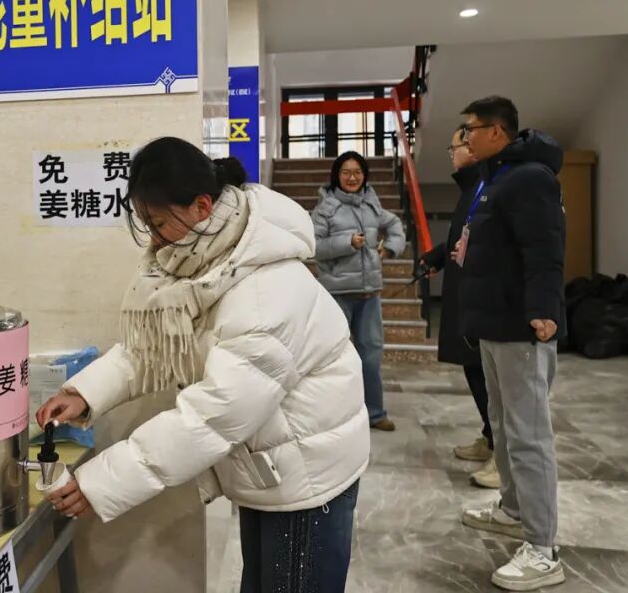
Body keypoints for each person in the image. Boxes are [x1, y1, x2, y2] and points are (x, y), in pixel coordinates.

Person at [36, 137, 370, 593]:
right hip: (273, 465)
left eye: (159, 223)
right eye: (146, 224)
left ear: (201, 206)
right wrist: (84, 393)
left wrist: (103, 483)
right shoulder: (207, 263)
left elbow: (213, 415)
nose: (153, 239)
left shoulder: (264, 294)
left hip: (308, 478)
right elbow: (157, 347)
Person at [455, 96, 566, 591]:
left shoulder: (530, 178)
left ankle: (543, 549)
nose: (465, 138)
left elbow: (544, 247)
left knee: (528, 435)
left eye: (471, 129)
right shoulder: (496, 178)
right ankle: (514, 510)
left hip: (521, 327)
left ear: (496, 132)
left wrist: (543, 308)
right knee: (501, 425)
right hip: (493, 324)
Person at [419, 127, 501, 489]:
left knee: (489, 378)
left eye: (455, 147)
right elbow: (465, 235)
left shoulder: (492, 184)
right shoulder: (473, 187)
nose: (452, 154)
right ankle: (490, 436)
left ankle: (503, 452)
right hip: (464, 292)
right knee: (473, 369)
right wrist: (440, 255)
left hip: (483, 298)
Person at [311, 151, 406, 432]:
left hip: (369, 293)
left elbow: (395, 225)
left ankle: (375, 414)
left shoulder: (371, 204)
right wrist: (347, 242)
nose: (352, 178)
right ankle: (333, 417)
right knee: (333, 359)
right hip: (336, 295)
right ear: (337, 176)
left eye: (357, 172)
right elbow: (313, 246)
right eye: (346, 172)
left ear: (364, 175)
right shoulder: (325, 208)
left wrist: (390, 248)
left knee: (371, 358)